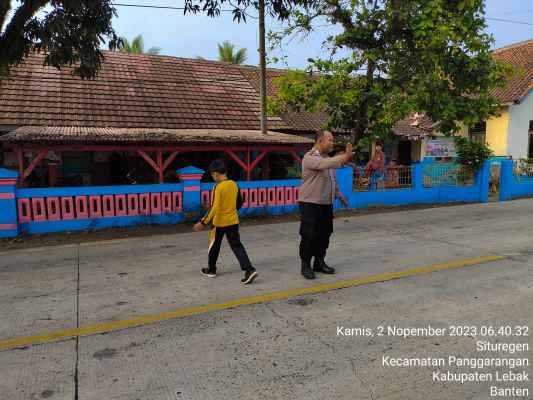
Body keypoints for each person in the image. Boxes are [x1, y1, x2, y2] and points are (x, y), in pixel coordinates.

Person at [193, 159, 258, 285]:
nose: (213, 177)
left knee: (214, 246)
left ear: (215, 173)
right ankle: (249, 269)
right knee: (237, 246)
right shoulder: (234, 184)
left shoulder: (218, 187)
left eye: (212, 175)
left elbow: (214, 207)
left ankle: (211, 270)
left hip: (219, 223)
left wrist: (203, 222)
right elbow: (239, 202)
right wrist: (231, 212)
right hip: (233, 221)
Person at [298, 131, 353, 279]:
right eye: (330, 140)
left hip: (325, 204)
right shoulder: (310, 157)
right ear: (320, 140)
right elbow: (324, 165)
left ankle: (319, 262)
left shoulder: (328, 159)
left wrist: (340, 196)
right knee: (309, 235)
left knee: (324, 234)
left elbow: (332, 180)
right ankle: (305, 265)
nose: (332, 143)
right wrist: (344, 157)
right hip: (310, 203)